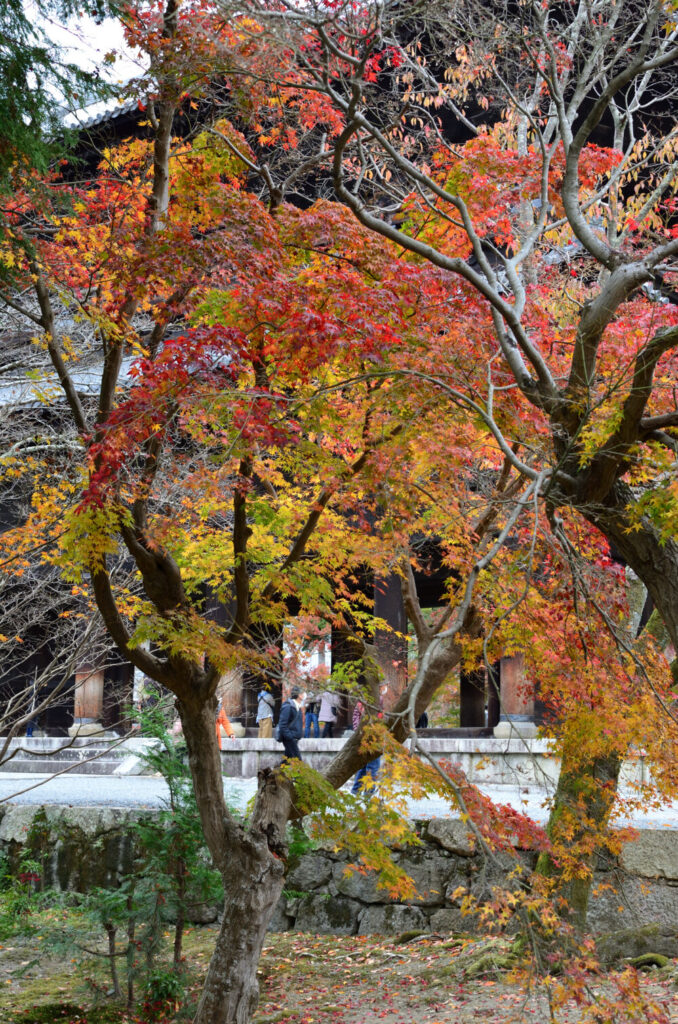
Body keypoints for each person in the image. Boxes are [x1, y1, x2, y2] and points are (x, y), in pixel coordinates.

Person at [351, 683, 388, 795]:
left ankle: (356, 789)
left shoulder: (361, 700)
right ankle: (369, 791)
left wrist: (358, 731)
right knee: (373, 765)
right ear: (381, 687)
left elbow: (355, 716)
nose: (386, 688)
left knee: (363, 765)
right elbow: (380, 718)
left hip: (362, 736)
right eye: (385, 686)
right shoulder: (378, 700)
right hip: (374, 736)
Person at [277, 687, 305, 760]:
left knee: (287, 761)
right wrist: (290, 737)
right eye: (303, 693)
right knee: (297, 760)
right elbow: (282, 724)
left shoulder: (297, 706)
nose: (304, 695)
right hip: (290, 739)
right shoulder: (288, 706)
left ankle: (277, 771)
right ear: (299, 695)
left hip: (294, 738)